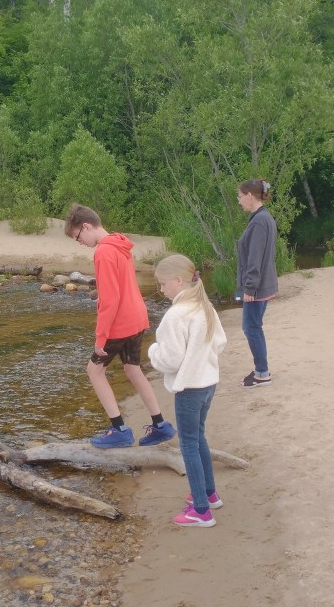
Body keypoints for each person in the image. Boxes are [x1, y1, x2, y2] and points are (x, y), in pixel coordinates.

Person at [65, 203, 176, 449]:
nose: (79, 242)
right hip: (138, 317)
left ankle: (119, 429)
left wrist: (100, 338)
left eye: (78, 236)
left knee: (94, 371)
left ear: (86, 226)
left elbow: (110, 300)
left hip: (120, 322)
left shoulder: (103, 252)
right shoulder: (120, 243)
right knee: (133, 369)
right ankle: (160, 425)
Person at [148, 254, 228, 528]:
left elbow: (170, 359)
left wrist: (152, 351)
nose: (161, 289)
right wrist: (202, 359)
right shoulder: (204, 306)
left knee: (189, 445)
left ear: (178, 280)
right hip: (208, 382)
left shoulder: (176, 315)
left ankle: (201, 511)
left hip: (190, 387)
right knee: (198, 437)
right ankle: (209, 493)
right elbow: (220, 342)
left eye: (162, 284)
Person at [236, 178, 278, 388]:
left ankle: (262, 373)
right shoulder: (261, 218)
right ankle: (261, 369)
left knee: (251, 328)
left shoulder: (260, 221)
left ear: (249, 196)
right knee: (254, 327)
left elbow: (255, 258)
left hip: (257, 287)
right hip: (261, 284)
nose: (239, 200)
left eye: (240, 196)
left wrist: (249, 287)